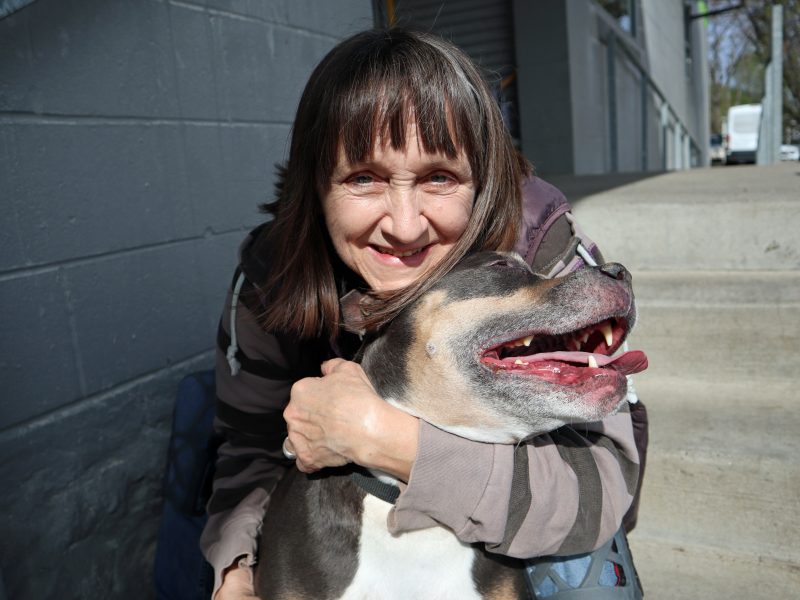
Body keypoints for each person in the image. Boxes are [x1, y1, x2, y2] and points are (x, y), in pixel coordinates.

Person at [200, 28, 644, 600]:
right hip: (346, 527)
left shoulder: (540, 248)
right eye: (364, 178)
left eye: (439, 177)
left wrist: (384, 439)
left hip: (517, 514)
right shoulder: (275, 272)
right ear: (315, 186)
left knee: (588, 587)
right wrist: (237, 568)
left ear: (483, 180)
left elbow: (597, 488)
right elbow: (248, 446)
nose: (405, 226)